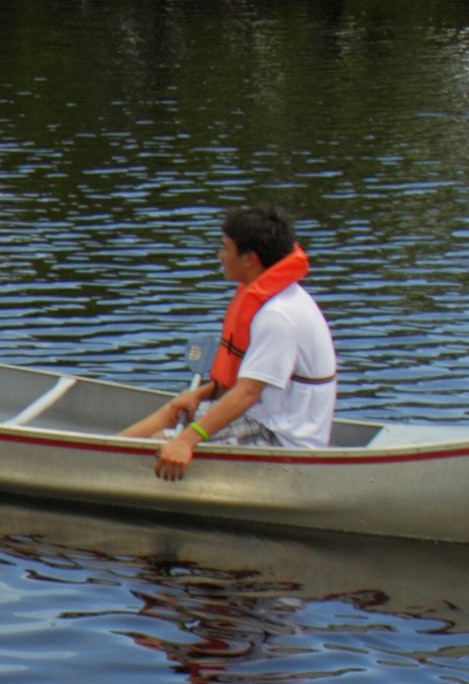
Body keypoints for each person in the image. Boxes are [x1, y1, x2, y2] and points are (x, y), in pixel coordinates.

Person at [118, 201, 338, 477]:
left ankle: (101, 465)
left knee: (159, 442)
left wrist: (184, 441)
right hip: (266, 415)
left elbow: (247, 394)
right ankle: (99, 454)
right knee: (175, 409)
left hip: (281, 436)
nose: (220, 255)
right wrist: (199, 393)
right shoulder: (278, 297)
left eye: (225, 248)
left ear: (249, 259)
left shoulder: (278, 316)